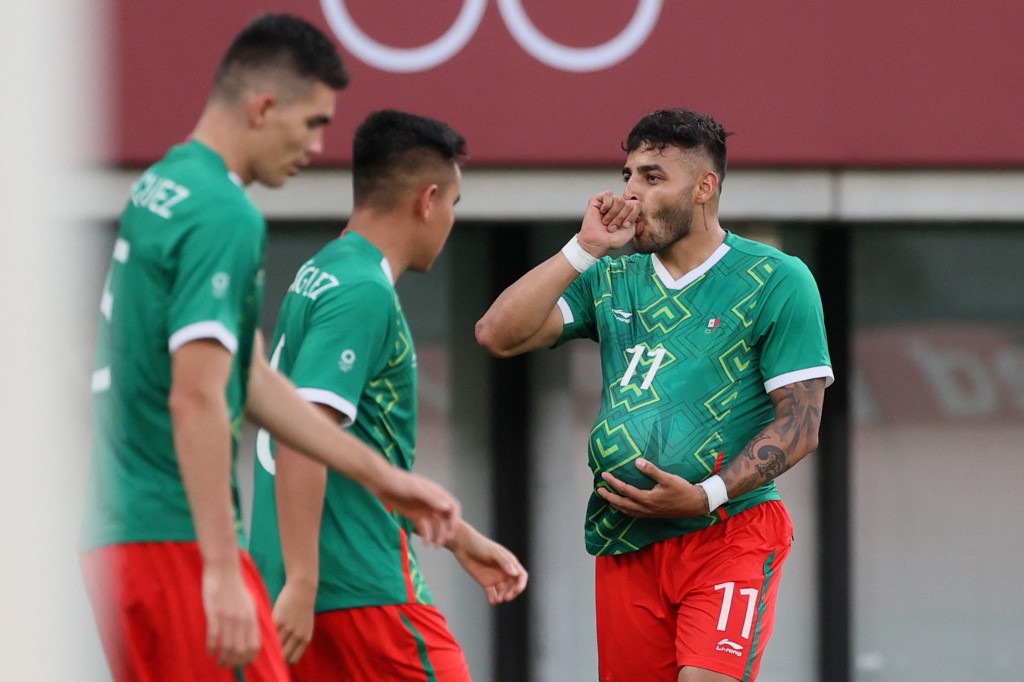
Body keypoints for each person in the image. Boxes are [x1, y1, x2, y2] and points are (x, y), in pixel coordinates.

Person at [80, 15, 461, 682]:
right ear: (263, 107)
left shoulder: (164, 185)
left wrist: (384, 477)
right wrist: (223, 571)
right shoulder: (225, 215)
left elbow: (249, 378)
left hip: (120, 530)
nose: (318, 146)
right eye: (313, 122)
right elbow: (196, 394)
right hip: (176, 538)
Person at [475, 108, 832, 682]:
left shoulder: (776, 278)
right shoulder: (611, 275)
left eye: (653, 177)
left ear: (704, 188)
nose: (631, 194)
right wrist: (582, 250)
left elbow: (801, 424)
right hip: (627, 537)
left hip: (728, 530)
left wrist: (706, 494)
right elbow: (497, 334)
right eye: (628, 176)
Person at [248, 109, 528, 682]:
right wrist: (306, 579)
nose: (450, 220)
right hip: (359, 587)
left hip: (298, 580)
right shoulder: (362, 292)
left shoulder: (321, 272)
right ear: (427, 200)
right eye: (453, 204)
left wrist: (460, 539)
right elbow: (304, 434)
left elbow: (356, 447)